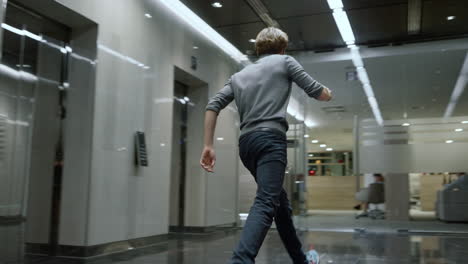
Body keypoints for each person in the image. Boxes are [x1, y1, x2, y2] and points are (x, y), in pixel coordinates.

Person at [199, 27, 332, 264]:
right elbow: (317, 92)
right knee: (266, 201)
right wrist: (328, 93)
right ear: (282, 48)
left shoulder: (239, 76)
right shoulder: (285, 61)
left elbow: (212, 105)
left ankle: (300, 259)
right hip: (271, 140)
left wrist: (208, 145)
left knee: (280, 205)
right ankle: (240, 261)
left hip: (247, 145)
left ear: (258, 50)